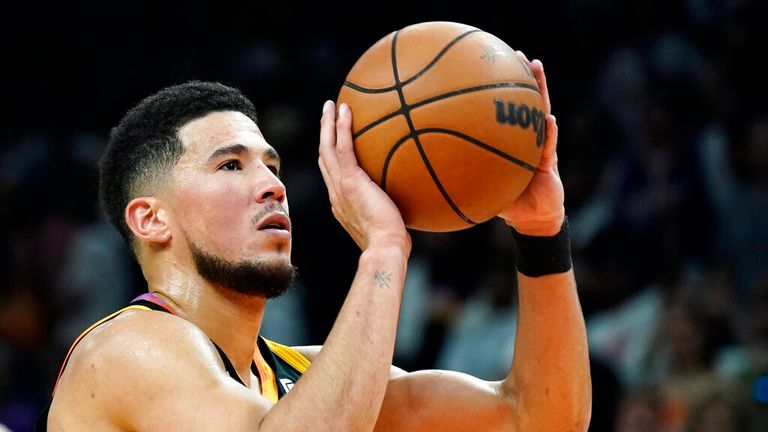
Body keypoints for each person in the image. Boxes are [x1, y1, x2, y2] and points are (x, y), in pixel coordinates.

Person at [37, 52, 591, 431]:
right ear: (151, 220)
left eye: (272, 166)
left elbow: (539, 416)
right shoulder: (125, 350)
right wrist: (383, 250)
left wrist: (542, 232)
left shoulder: (306, 379)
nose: (272, 185)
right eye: (230, 165)